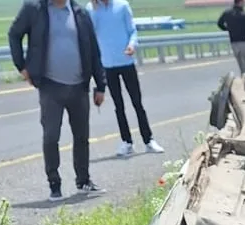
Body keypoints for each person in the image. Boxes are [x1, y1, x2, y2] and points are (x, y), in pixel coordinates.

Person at [9, 0, 107, 200]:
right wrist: (22, 67)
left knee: (81, 137)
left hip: (79, 86)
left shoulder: (80, 13)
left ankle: (83, 180)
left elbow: (94, 51)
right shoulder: (34, 9)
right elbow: (14, 34)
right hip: (50, 86)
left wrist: (101, 85)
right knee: (51, 136)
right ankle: (54, 183)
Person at [87, 0, 164, 157]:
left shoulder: (122, 5)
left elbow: (132, 30)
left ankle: (148, 140)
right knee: (118, 106)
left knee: (137, 103)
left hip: (126, 61)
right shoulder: (91, 9)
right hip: (107, 64)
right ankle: (126, 142)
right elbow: (91, 36)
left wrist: (132, 45)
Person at [218, 0, 245, 76]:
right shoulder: (244, 15)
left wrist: (227, 28)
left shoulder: (227, 13)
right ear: (240, 2)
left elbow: (219, 23)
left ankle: (243, 78)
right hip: (244, 42)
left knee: (241, 65)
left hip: (233, 42)